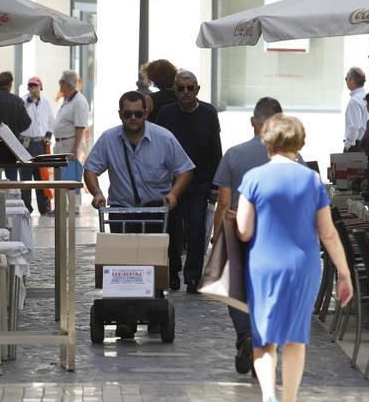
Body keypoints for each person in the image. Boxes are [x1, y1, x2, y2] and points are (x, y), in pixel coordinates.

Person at [236, 114, 353, 402]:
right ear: (299, 143)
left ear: (268, 142)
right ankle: (289, 398)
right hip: (303, 266)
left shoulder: (253, 178)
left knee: (264, 337)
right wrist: (344, 272)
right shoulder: (311, 180)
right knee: (295, 336)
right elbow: (328, 233)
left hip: (264, 265)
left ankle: (268, 396)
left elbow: (243, 230)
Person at [83, 91, 194, 300]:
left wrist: (173, 194)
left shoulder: (164, 138)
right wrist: (97, 193)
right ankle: (123, 306)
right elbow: (91, 169)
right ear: (120, 114)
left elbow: (185, 169)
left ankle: (155, 301)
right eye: (127, 114)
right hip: (121, 209)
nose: (133, 119)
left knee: (153, 261)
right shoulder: (109, 139)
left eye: (137, 114)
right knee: (121, 262)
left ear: (146, 113)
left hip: (155, 210)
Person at [212, 97, 284, 376]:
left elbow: (224, 201)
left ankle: (245, 336)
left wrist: (217, 237)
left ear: (253, 122)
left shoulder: (234, 154)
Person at [155, 70, 222, 292]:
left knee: (196, 227)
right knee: (172, 229)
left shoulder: (209, 113)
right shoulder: (166, 114)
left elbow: (215, 150)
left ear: (197, 89)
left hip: (200, 179)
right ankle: (173, 272)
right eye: (181, 88)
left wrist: (216, 184)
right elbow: (159, 147)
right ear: (174, 90)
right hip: (172, 181)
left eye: (189, 88)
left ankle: (192, 277)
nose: (185, 92)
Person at [0, 71, 31, 181]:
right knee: (12, 182)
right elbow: (26, 123)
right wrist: (15, 130)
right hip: (11, 148)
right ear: (10, 84)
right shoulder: (17, 102)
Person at [53, 70, 90, 211]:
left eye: (61, 83)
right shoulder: (68, 100)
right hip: (61, 143)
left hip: (70, 143)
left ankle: (73, 206)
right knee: (62, 176)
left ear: (66, 84)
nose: (60, 87)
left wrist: (74, 149)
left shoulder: (79, 101)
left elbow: (80, 127)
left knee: (71, 175)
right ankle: (63, 205)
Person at [19, 76, 55, 215]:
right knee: (26, 177)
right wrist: (30, 100)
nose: (33, 88)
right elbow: (22, 112)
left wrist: (48, 135)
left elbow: (51, 121)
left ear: (40, 87)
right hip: (26, 143)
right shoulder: (23, 101)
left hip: (40, 143)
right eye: (31, 86)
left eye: (36, 86)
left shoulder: (45, 102)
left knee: (42, 176)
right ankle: (26, 208)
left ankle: (44, 207)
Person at [343, 67, 367, 152]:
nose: (346, 81)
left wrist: (347, 146)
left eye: (346, 79)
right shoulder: (365, 97)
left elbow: (354, 126)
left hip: (355, 144)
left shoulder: (354, 100)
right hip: (365, 142)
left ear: (352, 80)